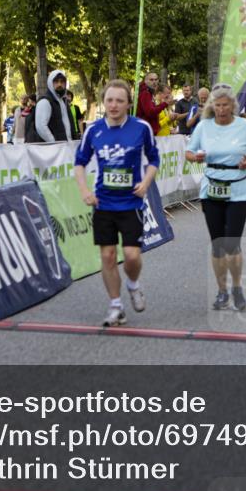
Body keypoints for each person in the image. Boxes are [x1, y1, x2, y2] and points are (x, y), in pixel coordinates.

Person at [74, 80, 160, 326]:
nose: (113, 105)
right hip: (103, 203)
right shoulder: (93, 130)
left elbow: (154, 159)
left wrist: (145, 182)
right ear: (104, 102)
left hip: (131, 204)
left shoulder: (141, 128)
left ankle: (133, 284)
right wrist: (84, 190)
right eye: (109, 100)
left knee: (132, 256)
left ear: (128, 104)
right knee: (108, 256)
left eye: (119, 101)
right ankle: (115, 306)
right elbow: (79, 162)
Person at [185, 84, 246, 311]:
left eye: (225, 105)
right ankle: (222, 291)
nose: (221, 109)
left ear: (233, 106)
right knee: (217, 245)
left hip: (239, 189)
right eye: (217, 105)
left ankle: (237, 287)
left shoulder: (245, 126)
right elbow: (189, 152)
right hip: (211, 189)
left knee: (232, 243)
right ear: (212, 106)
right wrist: (196, 157)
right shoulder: (204, 126)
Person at [27, 70, 71, 143]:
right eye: (56, 82)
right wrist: (54, 143)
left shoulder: (62, 101)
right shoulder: (45, 102)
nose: (59, 84)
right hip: (50, 150)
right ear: (50, 83)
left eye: (62, 82)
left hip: (62, 148)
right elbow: (41, 127)